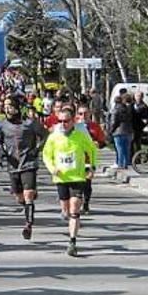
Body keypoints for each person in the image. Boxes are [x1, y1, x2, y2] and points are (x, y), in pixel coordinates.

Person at [42, 106, 98, 257]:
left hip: (78, 177)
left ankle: (72, 242)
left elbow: (92, 150)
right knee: (66, 210)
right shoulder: (54, 137)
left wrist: (92, 167)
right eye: (60, 121)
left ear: (73, 121)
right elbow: (46, 155)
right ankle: (66, 215)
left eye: (66, 121)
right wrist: (52, 168)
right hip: (61, 178)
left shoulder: (80, 136)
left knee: (74, 209)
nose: (63, 124)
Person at [0, 96, 48, 239]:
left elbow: (45, 135)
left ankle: (28, 224)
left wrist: (37, 149)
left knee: (28, 195)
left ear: (18, 107)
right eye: (5, 106)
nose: (7, 109)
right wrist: (1, 153)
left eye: (10, 105)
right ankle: (26, 200)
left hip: (28, 163)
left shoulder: (30, 123)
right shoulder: (3, 125)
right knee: (19, 197)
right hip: (13, 165)